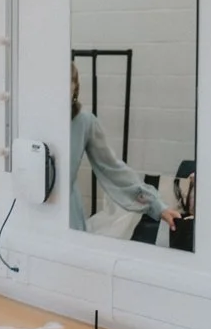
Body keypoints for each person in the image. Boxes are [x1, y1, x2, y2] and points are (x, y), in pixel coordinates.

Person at [69, 62, 181, 236]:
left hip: (68, 218)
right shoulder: (29, 116)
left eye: (69, 82)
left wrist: (156, 205)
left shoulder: (84, 122)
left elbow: (113, 169)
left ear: (75, 88)